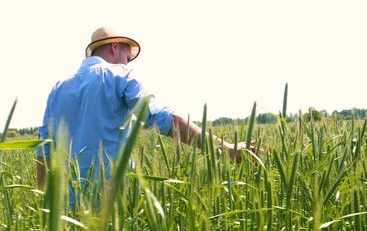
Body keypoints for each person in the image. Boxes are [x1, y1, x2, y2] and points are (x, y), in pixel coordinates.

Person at [36, 27, 253, 195]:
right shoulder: (120, 76)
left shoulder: (58, 88)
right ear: (114, 47)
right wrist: (226, 149)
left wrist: (44, 205)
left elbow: (43, 151)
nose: (127, 63)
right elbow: (166, 121)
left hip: (67, 210)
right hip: (112, 202)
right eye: (127, 57)